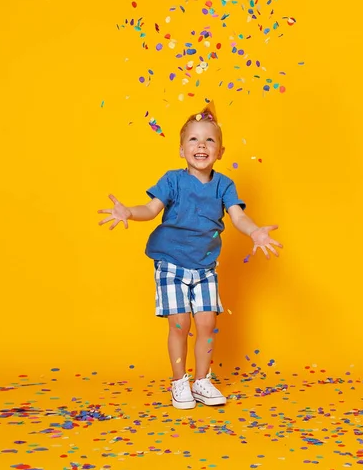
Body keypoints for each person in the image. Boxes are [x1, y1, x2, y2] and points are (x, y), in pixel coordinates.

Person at [98, 102, 282, 409]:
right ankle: (179, 381)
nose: (201, 146)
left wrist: (254, 232)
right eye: (194, 140)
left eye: (210, 140)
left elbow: (237, 217)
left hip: (205, 267)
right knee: (180, 323)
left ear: (220, 152)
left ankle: (202, 381)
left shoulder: (224, 185)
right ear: (182, 149)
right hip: (170, 262)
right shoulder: (172, 180)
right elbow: (151, 210)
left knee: (207, 323)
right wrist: (128, 211)